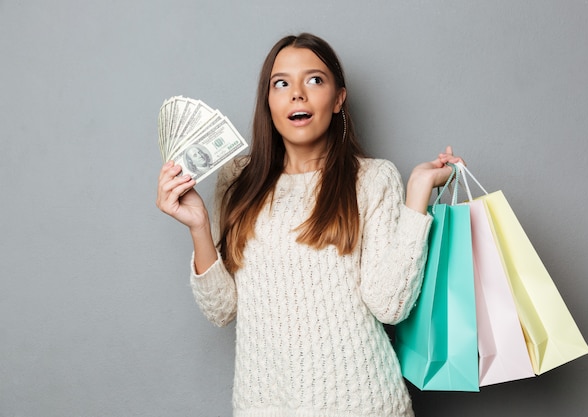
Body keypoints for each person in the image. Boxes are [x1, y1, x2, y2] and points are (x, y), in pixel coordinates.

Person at [156, 33, 464, 417]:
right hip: (265, 406)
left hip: (365, 405)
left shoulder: (372, 179)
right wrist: (198, 225)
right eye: (281, 83)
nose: (296, 94)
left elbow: (390, 304)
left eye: (314, 80)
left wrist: (417, 193)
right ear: (268, 102)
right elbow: (222, 309)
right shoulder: (238, 180)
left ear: (338, 99)